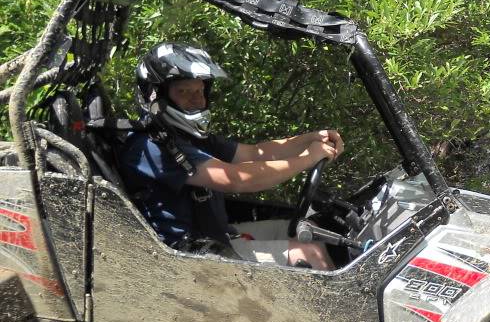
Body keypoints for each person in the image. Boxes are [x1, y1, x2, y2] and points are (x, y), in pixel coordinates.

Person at [119, 42, 341, 270]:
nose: (197, 100)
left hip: (216, 235)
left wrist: (312, 139)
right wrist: (307, 159)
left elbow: (255, 153)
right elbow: (236, 178)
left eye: (200, 91)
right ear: (157, 95)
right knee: (309, 251)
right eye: (184, 91)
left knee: (310, 231)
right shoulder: (151, 147)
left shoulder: (188, 138)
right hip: (188, 259)